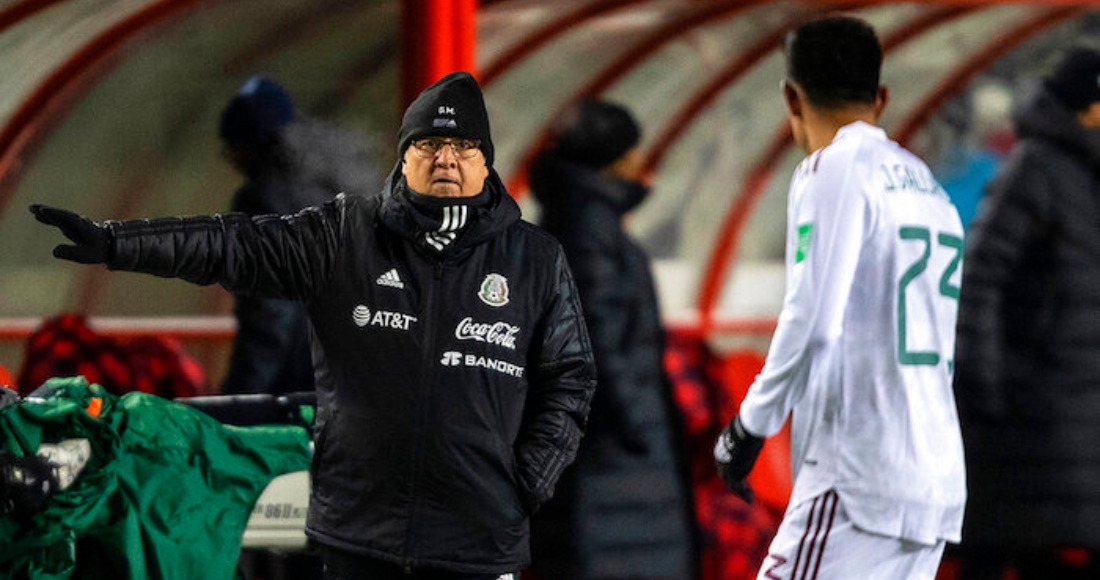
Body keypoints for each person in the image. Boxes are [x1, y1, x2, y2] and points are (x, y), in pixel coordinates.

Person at [29, 71, 597, 580]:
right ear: (405, 157)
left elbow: (569, 376)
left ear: (484, 159)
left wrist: (524, 480)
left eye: (463, 145)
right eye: (428, 143)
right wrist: (115, 244)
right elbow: (233, 246)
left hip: (475, 541)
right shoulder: (344, 227)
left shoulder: (534, 260)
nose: (446, 158)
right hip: (360, 532)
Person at [712, 16, 967, 579]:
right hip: (935, 476)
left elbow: (813, 319)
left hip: (860, 476)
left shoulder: (831, 168)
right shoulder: (927, 186)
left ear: (790, 96)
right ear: (881, 98)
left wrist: (749, 425)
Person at [527, 98, 698, 579]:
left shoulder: (580, 219)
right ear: (609, 159)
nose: (640, 165)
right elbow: (594, 337)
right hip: (610, 462)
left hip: (613, 460)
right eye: (631, 152)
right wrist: (637, 424)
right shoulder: (587, 226)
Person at [953, 46, 1100, 579]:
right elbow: (982, 278)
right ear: (1090, 107)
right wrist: (985, 388)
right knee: (1024, 545)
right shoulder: (1036, 168)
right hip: (1032, 414)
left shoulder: (1085, 171)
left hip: (1071, 416)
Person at [219, 75, 378, 396]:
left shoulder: (268, 200)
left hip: (303, 386)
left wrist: (237, 401)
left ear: (248, 144)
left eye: (230, 150)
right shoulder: (349, 183)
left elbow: (270, 315)